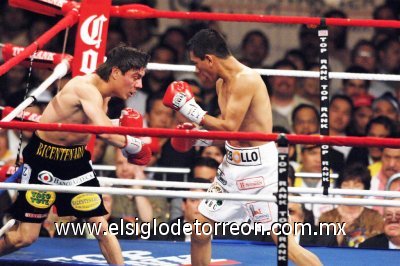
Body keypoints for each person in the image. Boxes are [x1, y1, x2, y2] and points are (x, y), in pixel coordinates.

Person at [162, 29, 321, 266]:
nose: (196, 71)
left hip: (261, 171)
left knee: (284, 242)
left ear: (210, 59)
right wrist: (198, 138)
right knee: (199, 231)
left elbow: (229, 126)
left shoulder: (246, 79)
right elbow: (230, 136)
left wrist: (189, 108)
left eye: (196, 63)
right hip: (232, 167)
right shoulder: (220, 83)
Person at [0, 45, 153, 265]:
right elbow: (102, 131)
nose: (139, 85)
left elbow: (94, 123)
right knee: (25, 237)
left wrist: (123, 126)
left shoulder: (105, 94)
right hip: (44, 158)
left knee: (101, 227)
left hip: (75, 161)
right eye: (136, 77)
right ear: (116, 72)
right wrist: (133, 144)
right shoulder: (85, 87)